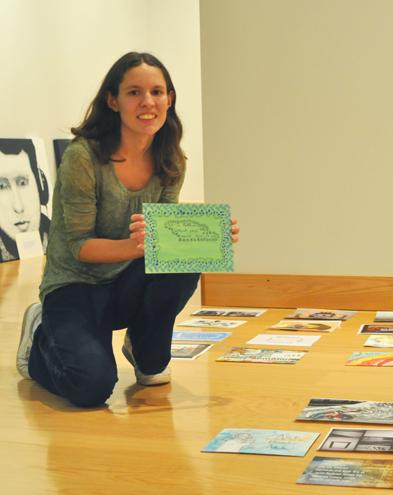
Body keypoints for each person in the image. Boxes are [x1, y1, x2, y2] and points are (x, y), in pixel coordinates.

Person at [15, 52, 239, 408]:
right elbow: (78, 246)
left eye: (157, 92)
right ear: (113, 100)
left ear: (170, 99)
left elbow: (163, 242)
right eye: (134, 92)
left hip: (127, 283)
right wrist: (137, 248)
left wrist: (206, 240)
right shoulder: (82, 158)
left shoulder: (171, 160)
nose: (148, 102)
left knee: (182, 265)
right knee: (91, 387)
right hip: (76, 284)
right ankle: (40, 337)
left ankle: (146, 351)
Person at [0, 138, 51, 261]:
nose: (18, 206)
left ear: (41, 186)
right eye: (1, 186)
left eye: (22, 182)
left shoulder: (65, 242)